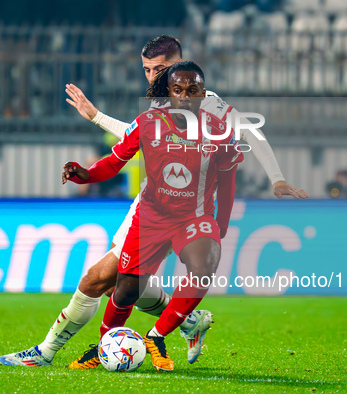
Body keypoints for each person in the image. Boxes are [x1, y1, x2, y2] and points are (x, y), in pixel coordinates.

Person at [0, 35, 307, 369]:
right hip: (152, 204)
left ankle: (51, 351)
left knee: (101, 280)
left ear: (180, 66)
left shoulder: (206, 101)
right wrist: (97, 117)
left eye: (159, 69)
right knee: (117, 281)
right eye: (146, 69)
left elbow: (249, 132)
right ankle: (184, 322)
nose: (151, 76)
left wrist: (276, 177)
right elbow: (137, 134)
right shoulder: (160, 101)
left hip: (184, 210)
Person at [63, 61, 247, 371]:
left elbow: (228, 178)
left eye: (193, 90)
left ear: (204, 93)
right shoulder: (147, 123)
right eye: (178, 90)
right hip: (152, 217)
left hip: (194, 217)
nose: (185, 96)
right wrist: (85, 176)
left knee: (204, 267)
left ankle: (156, 336)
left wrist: (222, 223)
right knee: (125, 290)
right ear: (168, 93)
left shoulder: (220, 132)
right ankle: (105, 345)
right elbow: (114, 161)